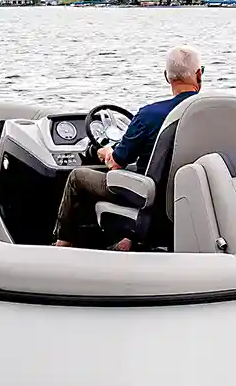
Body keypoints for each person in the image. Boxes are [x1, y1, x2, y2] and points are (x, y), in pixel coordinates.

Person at [52, 45, 203, 249]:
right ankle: (128, 241)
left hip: (151, 197)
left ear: (167, 77)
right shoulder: (212, 116)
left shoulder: (149, 115)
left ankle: (62, 246)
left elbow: (116, 163)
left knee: (77, 178)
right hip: (193, 195)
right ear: (199, 75)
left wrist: (106, 151)